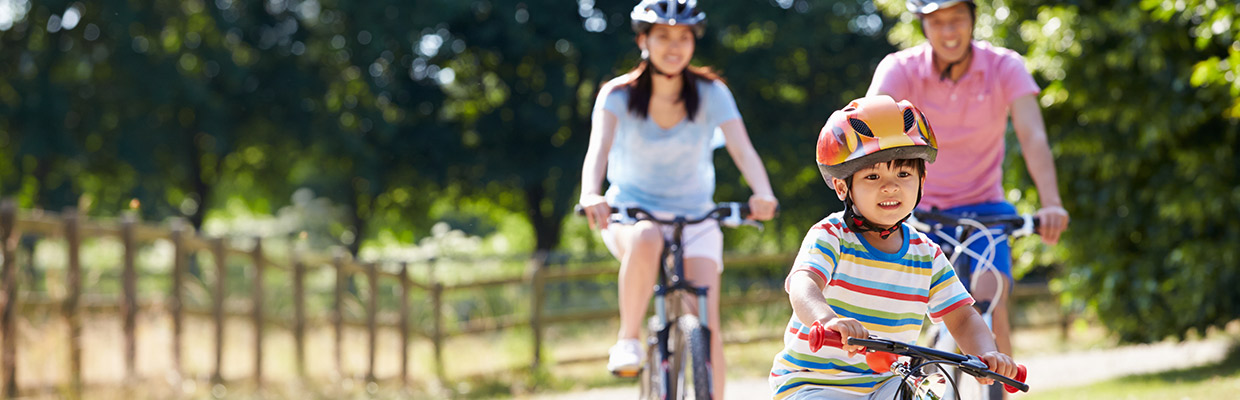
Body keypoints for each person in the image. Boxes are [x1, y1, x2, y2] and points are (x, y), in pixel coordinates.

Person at [578, 0, 779, 396]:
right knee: (647, 236)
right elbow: (597, 151)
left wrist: (763, 193)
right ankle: (629, 339)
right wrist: (590, 193)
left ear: (693, 43)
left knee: (705, 322)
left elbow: (743, 149)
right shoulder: (616, 94)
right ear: (643, 40)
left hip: (697, 218)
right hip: (630, 214)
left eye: (683, 37)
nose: (674, 46)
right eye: (663, 36)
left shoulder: (711, 93)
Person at [769, 96, 1019, 399]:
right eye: (873, 176)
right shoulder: (831, 236)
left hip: (885, 384)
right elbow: (803, 284)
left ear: (922, 180)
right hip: (814, 384)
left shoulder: (926, 253)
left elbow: (962, 316)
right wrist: (827, 320)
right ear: (842, 187)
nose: (890, 186)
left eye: (903, 174)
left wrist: (986, 354)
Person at [865, 0, 1070, 367]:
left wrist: (1051, 202)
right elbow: (866, 135)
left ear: (973, 19)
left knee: (989, 301)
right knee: (908, 308)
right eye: (937, 22)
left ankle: (998, 382)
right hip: (920, 211)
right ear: (922, 26)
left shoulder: (1004, 66)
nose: (948, 31)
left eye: (957, 19)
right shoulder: (899, 70)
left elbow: (1033, 136)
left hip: (985, 207)